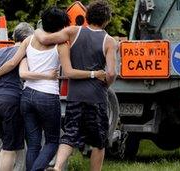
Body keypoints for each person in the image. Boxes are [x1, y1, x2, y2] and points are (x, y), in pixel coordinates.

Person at [0, 7, 106, 171]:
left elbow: (11, 63)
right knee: (52, 142)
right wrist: (94, 74)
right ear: (61, 27)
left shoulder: (29, 40)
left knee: (33, 144)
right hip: (48, 97)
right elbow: (69, 72)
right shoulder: (61, 45)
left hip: (27, 95)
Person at [34, 1, 117, 171]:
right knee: (99, 142)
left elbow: (45, 38)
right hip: (97, 98)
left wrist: (36, 30)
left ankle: (57, 167)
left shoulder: (73, 32)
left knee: (70, 135)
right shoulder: (109, 42)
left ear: (87, 16)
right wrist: (105, 84)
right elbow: (111, 73)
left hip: (75, 96)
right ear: (107, 20)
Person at [0, 22, 39, 171]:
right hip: (11, 101)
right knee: (9, 148)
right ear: (29, 38)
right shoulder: (25, 53)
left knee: (6, 144)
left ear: (14, 36)